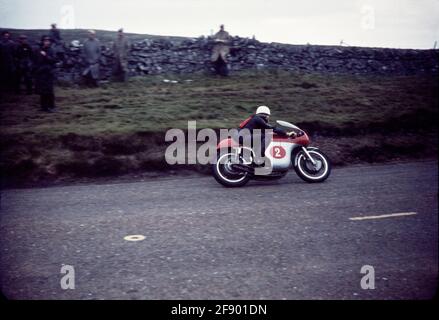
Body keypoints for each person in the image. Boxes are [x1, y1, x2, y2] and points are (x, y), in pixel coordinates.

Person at [34, 35, 57, 112]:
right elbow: (36, 60)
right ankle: (43, 107)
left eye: (48, 41)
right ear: (43, 42)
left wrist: (46, 55)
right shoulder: (39, 50)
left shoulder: (52, 50)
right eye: (45, 41)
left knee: (49, 90)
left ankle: (51, 107)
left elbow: (53, 60)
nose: (47, 42)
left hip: (49, 73)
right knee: (42, 91)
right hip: (41, 72)